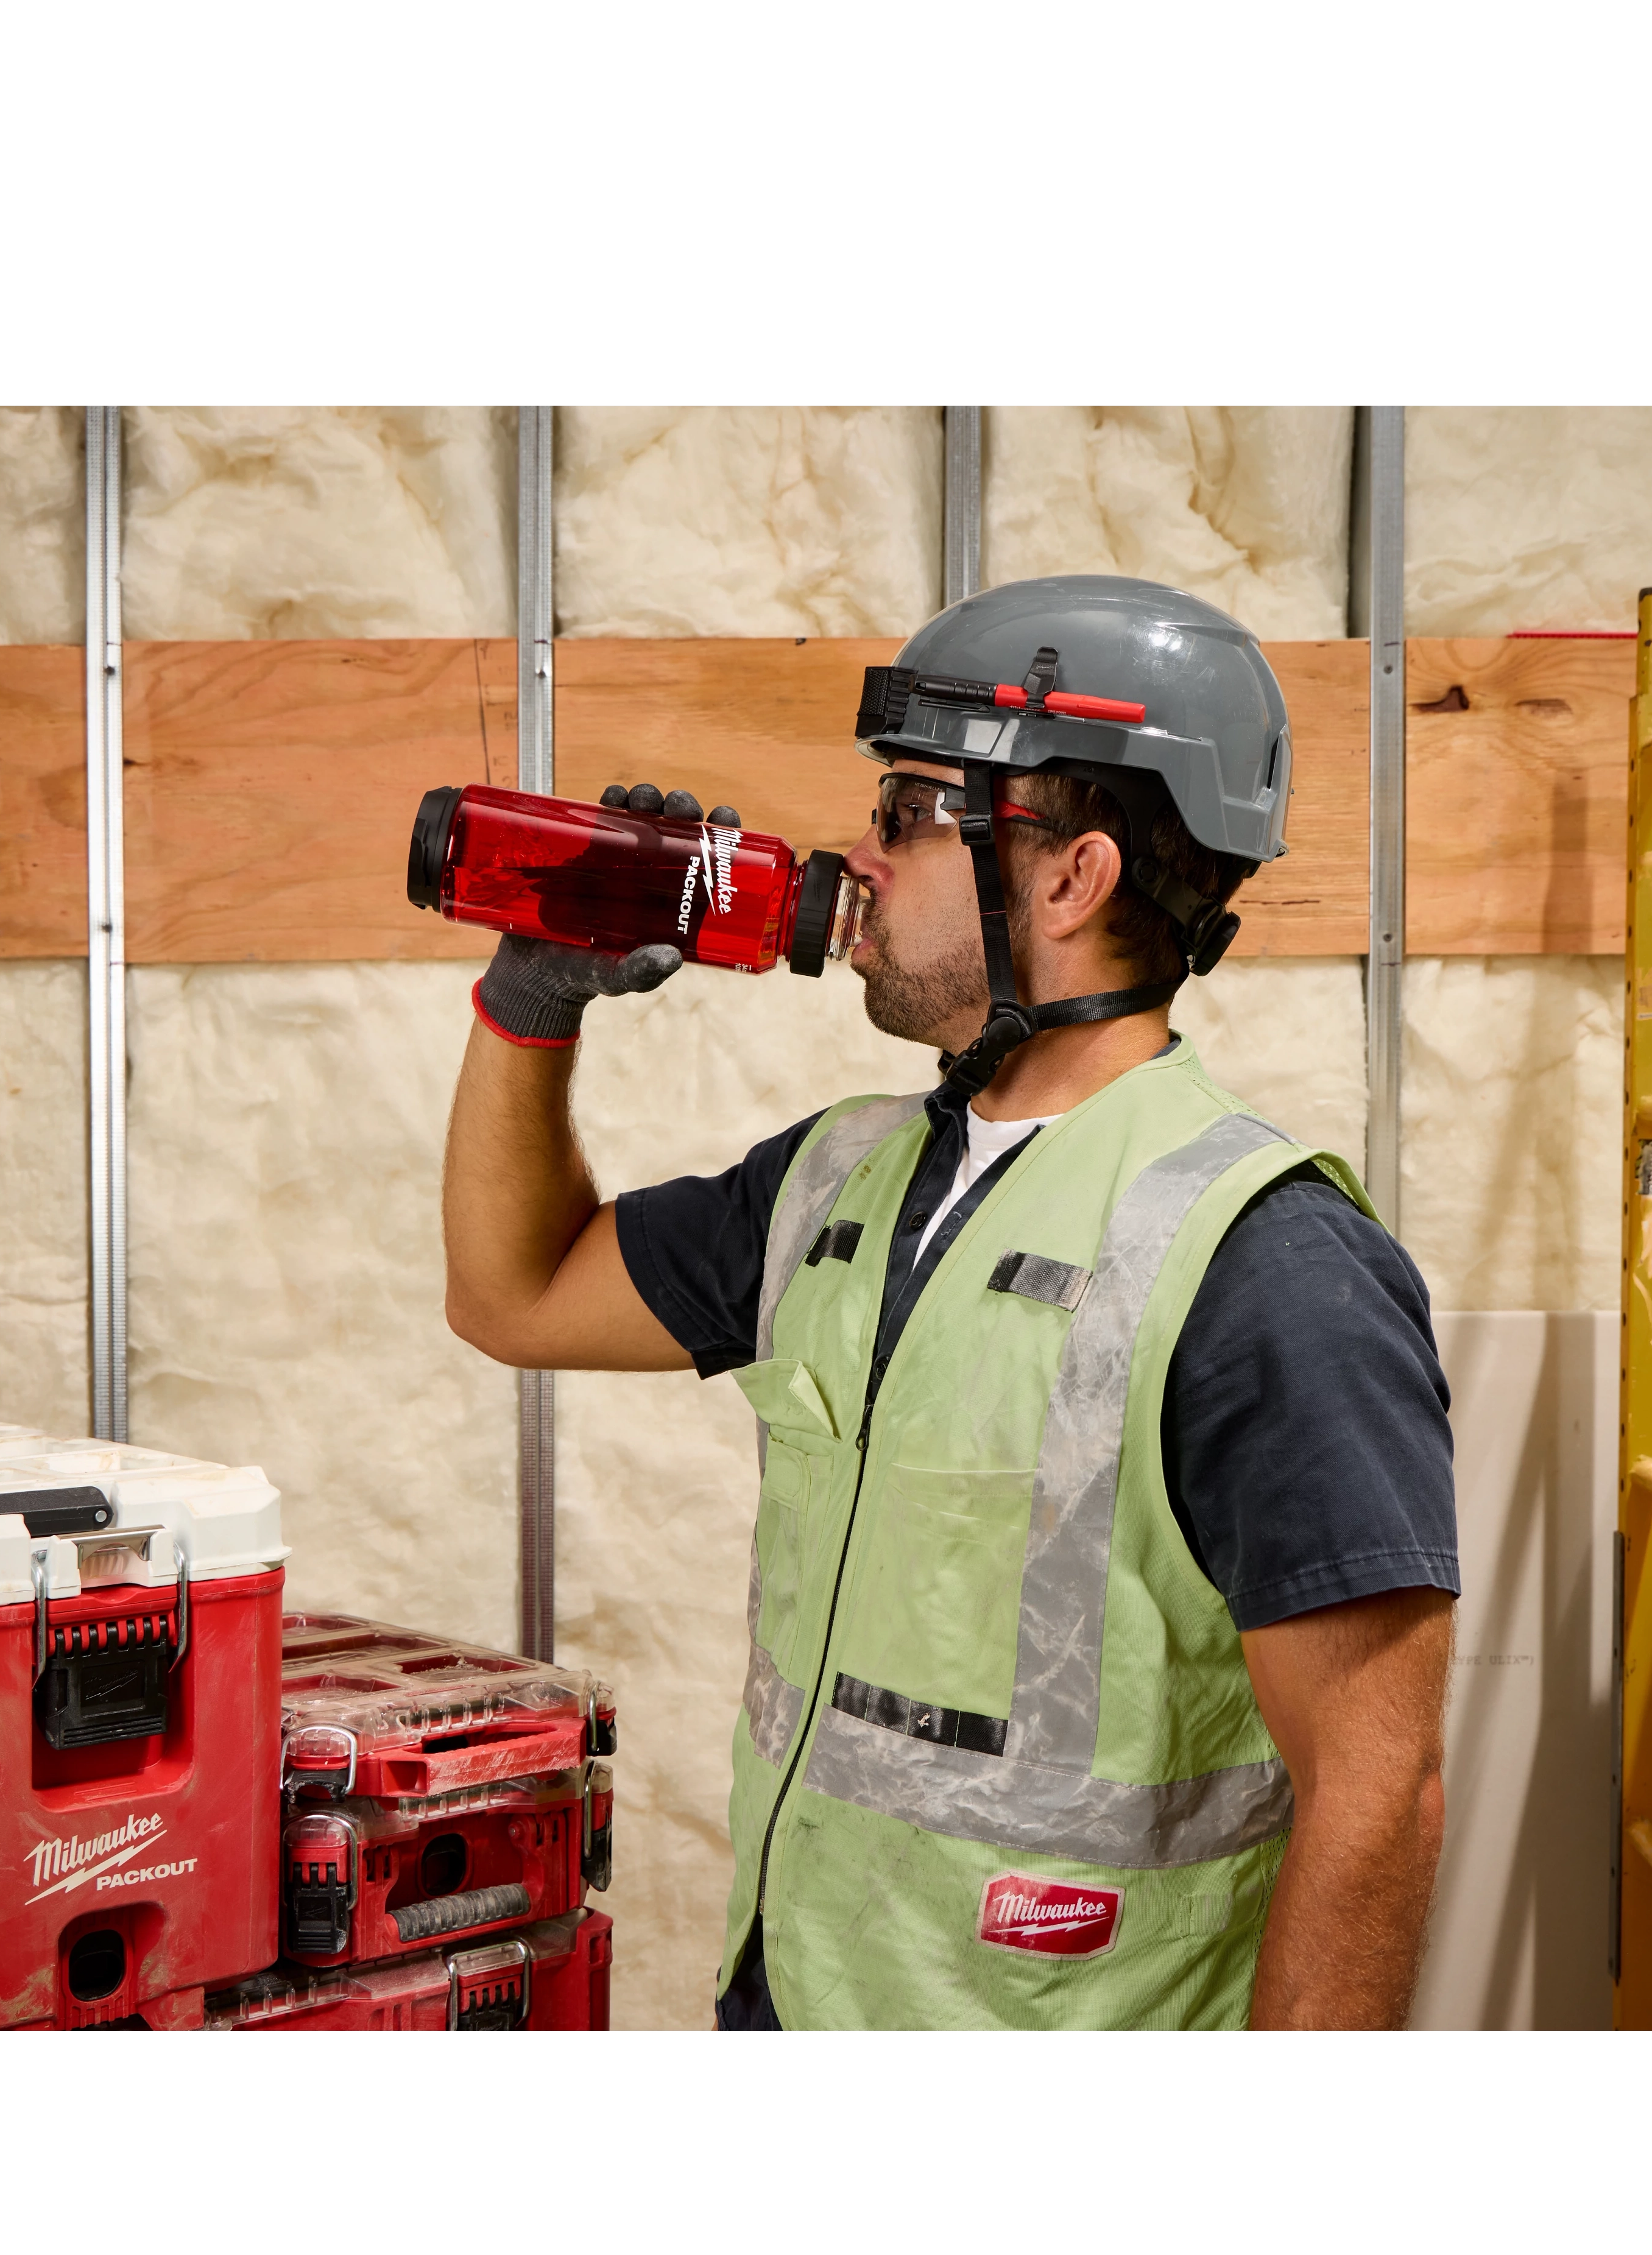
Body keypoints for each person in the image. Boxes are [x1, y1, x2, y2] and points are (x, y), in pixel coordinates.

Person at [442, 575, 1458, 2030]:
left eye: (908, 813)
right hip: (800, 1990)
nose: (852, 853)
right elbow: (513, 1294)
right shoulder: (840, 1184)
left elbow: (1378, 1800)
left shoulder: (1266, 1267)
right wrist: (532, 1004)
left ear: (1068, 876)